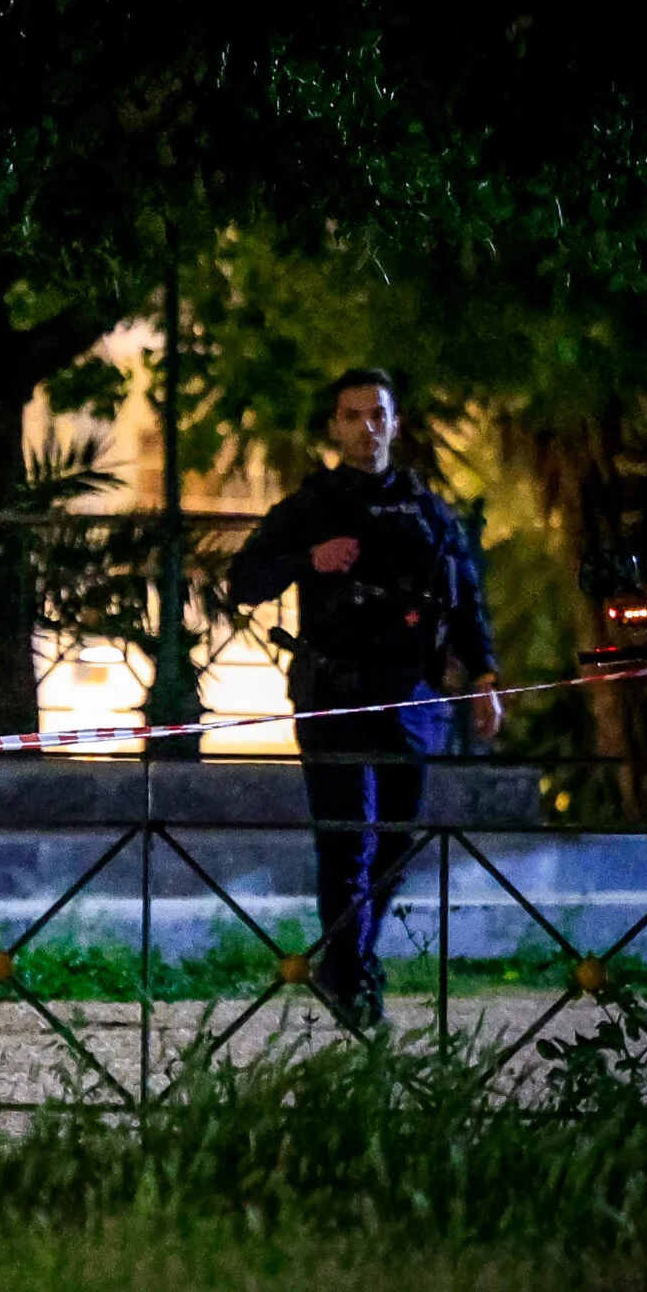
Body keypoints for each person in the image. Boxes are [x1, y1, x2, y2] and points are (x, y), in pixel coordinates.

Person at [227, 368, 500, 1027]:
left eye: (378, 414)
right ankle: (352, 986)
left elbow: (465, 597)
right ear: (335, 427)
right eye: (352, 416)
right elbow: (243, 580)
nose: (367, 428)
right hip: (336, 697)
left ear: (395, 424)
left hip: (411, 700)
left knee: (396, 842)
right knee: (348, 841)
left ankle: (346, 964)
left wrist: (485, 678)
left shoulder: (427, 509)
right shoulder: (313, 505)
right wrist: (309, 560)